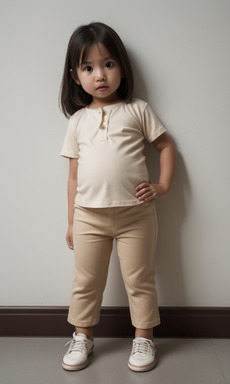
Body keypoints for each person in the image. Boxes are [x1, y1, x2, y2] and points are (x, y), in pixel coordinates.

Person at [59, 22, 176, 372]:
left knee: (139, 278)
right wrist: (71, 221)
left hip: (136, 215)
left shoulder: (138, 109)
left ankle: (144, 338)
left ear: (122, 68)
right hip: (88, 217)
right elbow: (74, 176)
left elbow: (166, 146)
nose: (100, 75)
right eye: (89, 67)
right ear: (75, 75)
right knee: (86, 280)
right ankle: (83, 336)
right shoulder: (77, 120)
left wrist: (162, 185)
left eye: (109, 64)